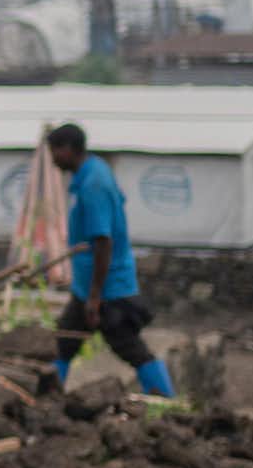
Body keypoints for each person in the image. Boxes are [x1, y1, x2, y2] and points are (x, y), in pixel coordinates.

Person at [45, 124, 175, 400]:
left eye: (54, 151)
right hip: (89, 287)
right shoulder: (92, 172)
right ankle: (47, 400)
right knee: (65, 341)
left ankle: (167, 401)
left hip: (106, 289)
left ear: (67, 149)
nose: (52, 159)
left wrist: (95, 298)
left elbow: (103, 242)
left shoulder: (94, 185)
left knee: (129, 347)